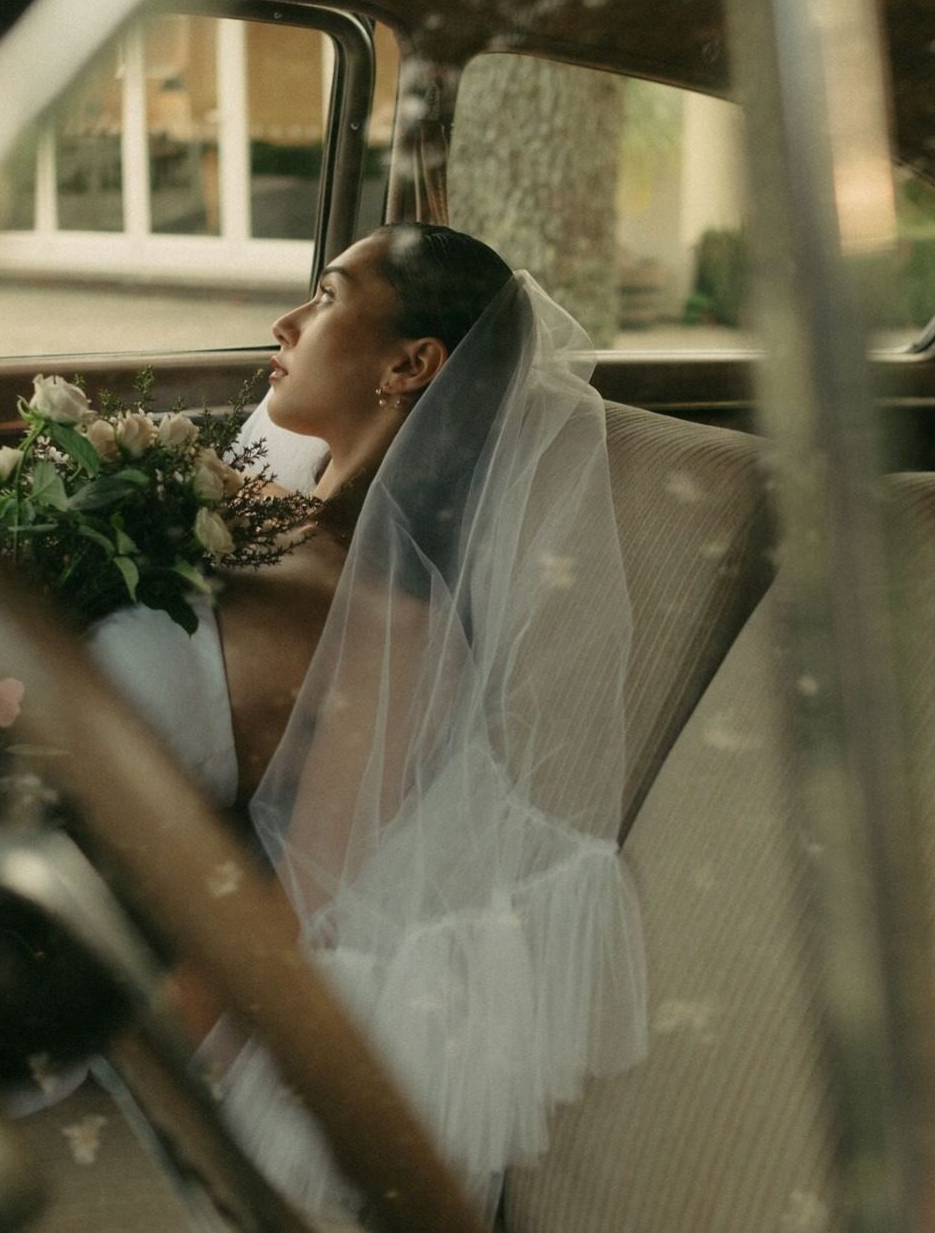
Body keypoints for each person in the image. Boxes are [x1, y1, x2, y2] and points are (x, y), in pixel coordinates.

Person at [88, 222, 647, 1224]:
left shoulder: (396, 626)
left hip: (45, 922)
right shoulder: (235, 508)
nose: (287, 321)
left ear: (411, 364)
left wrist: (127, 1036)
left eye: (330, 295)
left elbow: (307, 898)